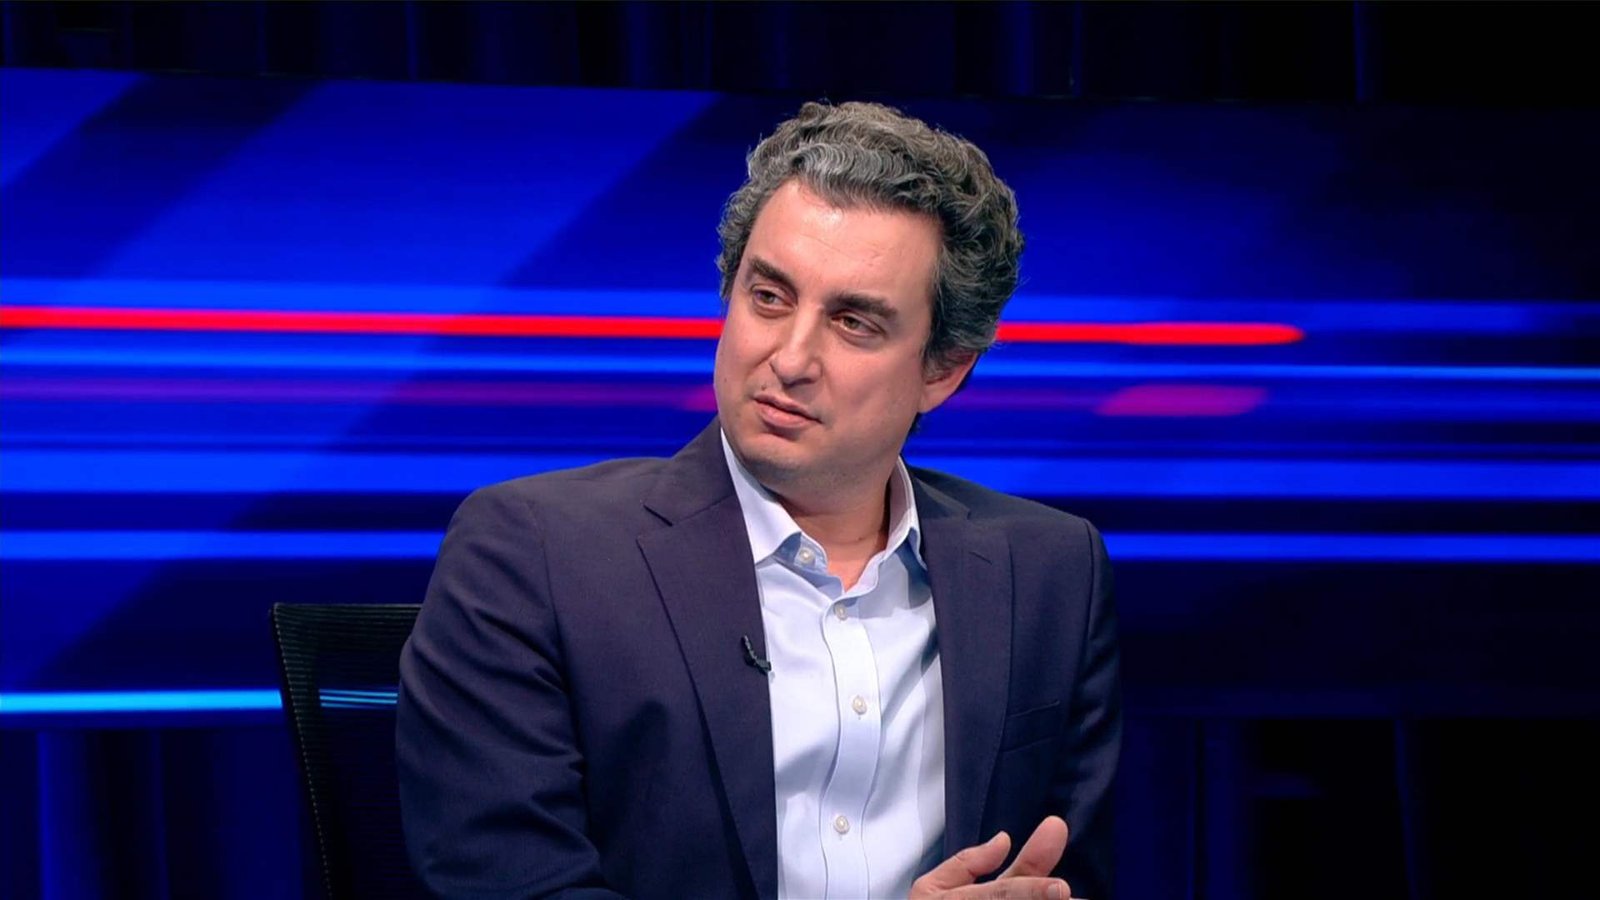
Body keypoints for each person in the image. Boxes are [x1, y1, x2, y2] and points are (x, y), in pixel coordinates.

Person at [397, 100, 1121, 900]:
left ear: (943, 370)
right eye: (769, 297)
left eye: (853, 322)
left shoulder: (1051, 573)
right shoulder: (534, 555)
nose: (790, 357)